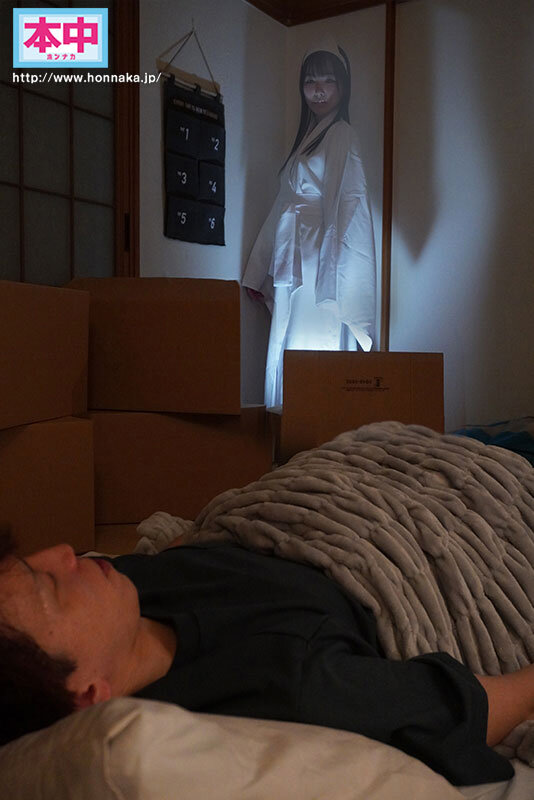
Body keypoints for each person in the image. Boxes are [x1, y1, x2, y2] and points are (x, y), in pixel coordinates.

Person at [2, 531, 534, 786]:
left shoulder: (123, 590)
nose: (65, 552)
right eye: (49, 585)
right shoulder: (291, 689)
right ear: (86, 695)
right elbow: (467, 707)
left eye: (27, 558)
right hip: (430, 542)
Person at [242, 40, 376, 409]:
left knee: (316, 337)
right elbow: (283, 205)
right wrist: (258, 270)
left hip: (322, 258)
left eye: (328, 81)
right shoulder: (307, 140)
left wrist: (336, 270)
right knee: (290, 338)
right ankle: (288, 420)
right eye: (310, 81)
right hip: (296, 252)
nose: (318, 90)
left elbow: (350, 205)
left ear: (343, 87)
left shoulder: (342, 134)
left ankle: (313, 422)